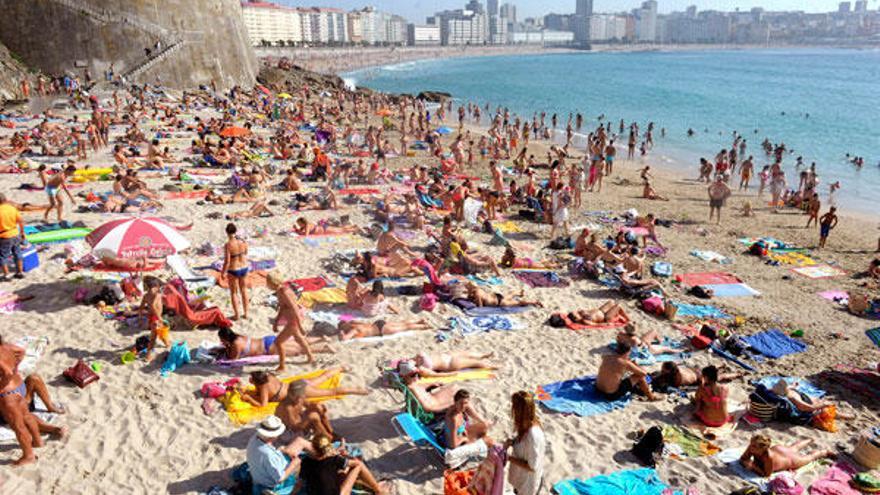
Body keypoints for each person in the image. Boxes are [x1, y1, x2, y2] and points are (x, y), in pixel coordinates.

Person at [0, 336, 68, 466]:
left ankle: (28, 456)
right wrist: (15, 367)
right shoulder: (6, 347)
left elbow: (7, 373)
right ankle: (37, 441)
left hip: (7, 394)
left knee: (19, 427)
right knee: (26, 416)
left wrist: (2, 385)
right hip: (19, 386)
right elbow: (21, 351)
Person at [297, 434, 392, 495]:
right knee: (358, 465)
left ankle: (370, 487)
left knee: (340, 473)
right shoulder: (333, 460)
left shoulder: (306, 461)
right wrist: (345, 455)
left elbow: (299, 484)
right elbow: (355, 463)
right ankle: (379, 490)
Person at [245, 416, 310, 494]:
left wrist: (280, 450)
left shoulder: (255, 438)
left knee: (299, 443)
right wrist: (294, 463)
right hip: (271, 484)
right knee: (302, 475)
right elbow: (279, 478)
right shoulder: (268, 454)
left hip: (259, 476)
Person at [267, 272, 314, 370]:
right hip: (292, 320)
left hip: (293, 320)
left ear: (273, 282)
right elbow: (283, 307)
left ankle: (282, 366)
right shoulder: (282, 290)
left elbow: (294, 307)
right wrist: (276, 321)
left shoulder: (284, 292)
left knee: (278, 342)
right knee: (299, 339)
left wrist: (300, 325)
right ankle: (311, 357)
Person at [506, 391, 545, 495]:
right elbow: (524, 446)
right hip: (521, 480)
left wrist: (508, 458)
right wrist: (513, 442)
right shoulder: (526, 425)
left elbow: (532, 466)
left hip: (528, 486)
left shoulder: (533, 435)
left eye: (514, 407)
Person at [739, 434, 833, 477]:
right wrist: (746, 460)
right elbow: (743, 458)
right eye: (751, 444)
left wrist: (753, 467)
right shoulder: (752, 447)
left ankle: (824, 452)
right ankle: (809, 440)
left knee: (808, 457)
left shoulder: (768, 458)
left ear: (763, 449)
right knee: (793, 448)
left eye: (754, 446)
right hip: (779, 450)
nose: (751, 447)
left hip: (790, 460)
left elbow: (766, 474)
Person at [217, 328, 332, 361]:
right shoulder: (238, 336)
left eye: (222, 340)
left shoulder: (236, 344)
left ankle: (323, 349)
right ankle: (321, 339)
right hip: (267, 339)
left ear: (226, 339)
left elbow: (233, 358)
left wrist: (226, 349)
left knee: (298, 350)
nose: (221, 342)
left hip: (268, 348)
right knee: (298, 342)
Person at [221, 223, 249, 321]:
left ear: (227, 232)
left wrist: (223, 272)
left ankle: (237, 315)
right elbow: (246, 252)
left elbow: (227, 261)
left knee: (234, 292)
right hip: (244, 267)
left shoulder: (228, 245)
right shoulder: (242, 241)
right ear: (235, 231)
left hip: (234, 269)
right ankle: (246, 313)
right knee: (244, 290)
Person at [140, 276, 169, 363]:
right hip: (156, 317)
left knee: (160, 332)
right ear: (155, 287)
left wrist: (140, 315)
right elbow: (153, 306)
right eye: (158, 287)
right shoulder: (157, 295)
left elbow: (141, 306)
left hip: (151, 317)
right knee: (153, 337)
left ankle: (167, 344)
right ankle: (148, 356)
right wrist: (160, 318)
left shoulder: (146, 295)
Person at [0, 194, 25, 281]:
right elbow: (20, 221)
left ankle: (6, 275)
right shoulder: (12, 208)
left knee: (3, 256)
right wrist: (22, 232)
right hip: (15, 233)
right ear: (5, 200)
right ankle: (20, 272)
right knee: (17, 253)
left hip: (4, 236)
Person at [337, 318, 431, 341]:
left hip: (381, 330)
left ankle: (424, 327)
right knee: (402, 323)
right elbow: (350, 319)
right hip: (378, 323)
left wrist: (341, 332)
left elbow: (344, 338)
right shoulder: (355, 323)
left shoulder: (354, 330)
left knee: (405, 327)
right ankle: (419, 321)